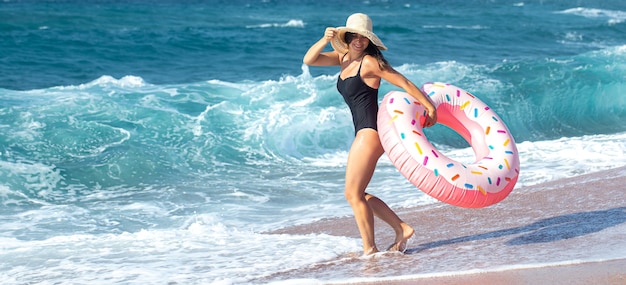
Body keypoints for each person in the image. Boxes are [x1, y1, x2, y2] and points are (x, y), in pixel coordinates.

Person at [303, 13, 437, 255]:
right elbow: (310, 60)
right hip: (363, 132)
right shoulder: (343, 58)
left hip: (370, 132)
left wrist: (429, 106)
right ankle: (401, 228)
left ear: (369, 41)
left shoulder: (370, 63)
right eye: (354, 35)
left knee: (352, 194)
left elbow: (403, 82)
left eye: (364, 37)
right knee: (357, 193)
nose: (358, 40)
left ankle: (370, 249)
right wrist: (324, 39)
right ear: (346, 37)